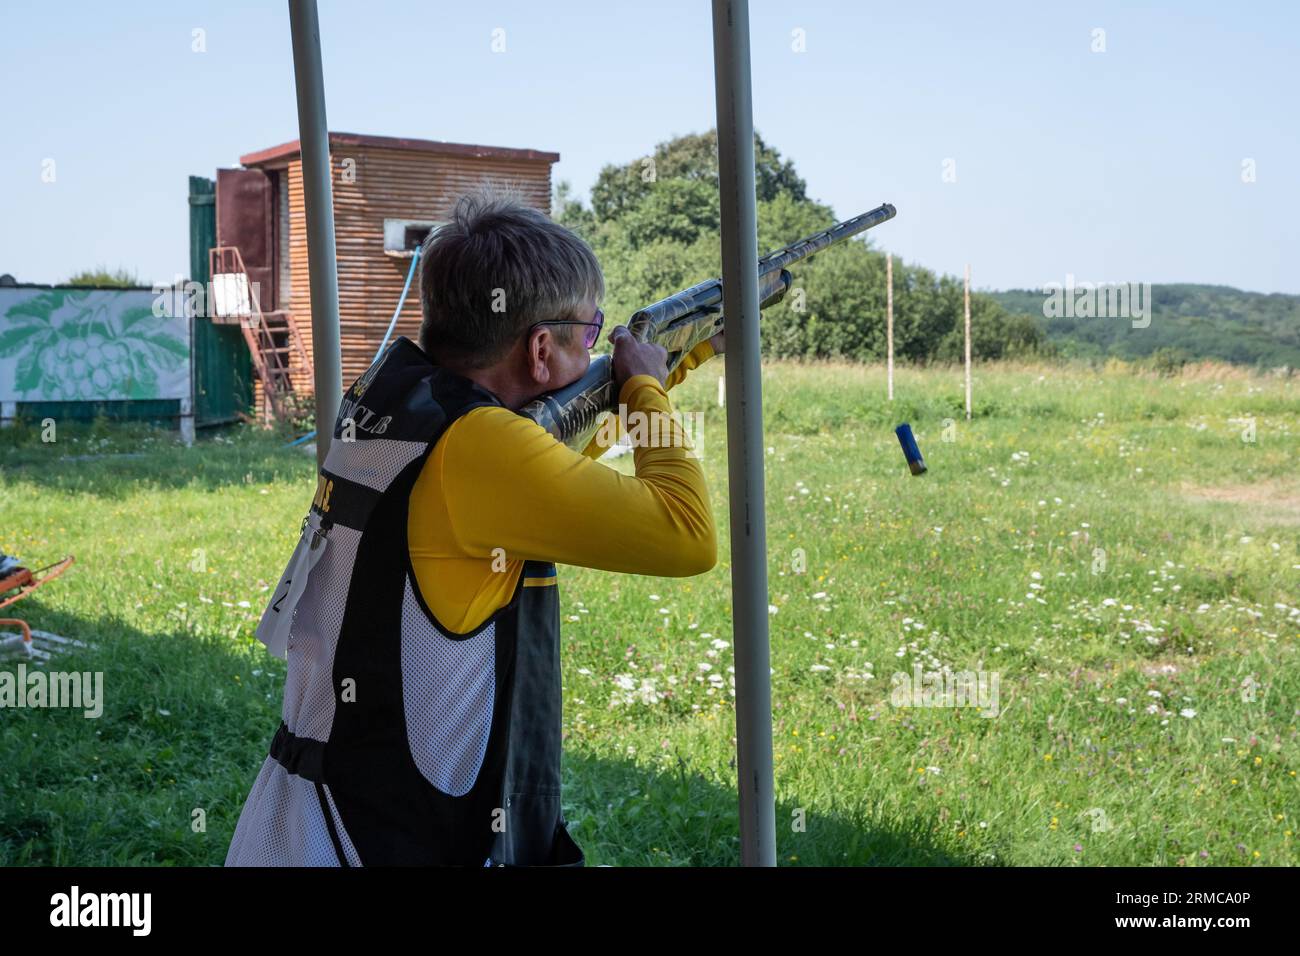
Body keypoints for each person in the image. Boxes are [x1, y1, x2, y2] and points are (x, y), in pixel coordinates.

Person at [225, 185, 722, 866]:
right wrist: (645, 389)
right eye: (589, 329)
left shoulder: (392, 393)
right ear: (540, 350)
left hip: (304, 816)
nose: (595, 342)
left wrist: (678, 360)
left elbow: (543, 468)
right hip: (373, 842)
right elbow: (686, 535)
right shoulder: (482, 447)